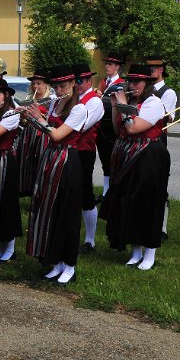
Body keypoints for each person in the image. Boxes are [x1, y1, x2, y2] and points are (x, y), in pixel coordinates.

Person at [100, 64, 170, 271]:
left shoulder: (154, 103)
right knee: (129, 201)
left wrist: (123, 106)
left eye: (137, 82)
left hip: (149, 156)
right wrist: (115, 106)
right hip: (128, 154)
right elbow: (117, 128)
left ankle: (150, 251)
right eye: (130, 81)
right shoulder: (130, 101)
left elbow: (133, 127)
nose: (132, 85)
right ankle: (135, 250)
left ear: (147, 84)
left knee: (147, 203)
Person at [26, 65, 84, 285]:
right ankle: (56, 261)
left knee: (67, 213)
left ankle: (70, 264)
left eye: (63, 86)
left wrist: (39, 120)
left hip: (68, 160)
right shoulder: (53, 104)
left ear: (72, 85)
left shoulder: (79, 108)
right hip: (51, 158)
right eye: (57, 86)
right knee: (50, 210)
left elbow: (58, 134)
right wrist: (31, 116)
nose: (59, 90)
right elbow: (47, 132)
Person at [0, 78, 22, 262]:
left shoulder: (11, 114)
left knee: (6, 202)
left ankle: (10, 246)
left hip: (4, 159)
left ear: (6, 95)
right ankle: (0, 245)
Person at [71, 63, 104, 254]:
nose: (77, 85)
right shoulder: (72, 98)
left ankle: (90, 240)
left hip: (84, 151)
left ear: (89, 80)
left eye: (80, 81)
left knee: (85, 193)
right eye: (74, 81)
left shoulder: (94, 101)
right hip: (69, 149)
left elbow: (80, 126)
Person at [145, 57, 177, 241]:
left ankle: (162, 227)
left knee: (159, 186)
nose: (151, 71)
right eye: (149, 68)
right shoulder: (144, 90)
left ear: (161, 70)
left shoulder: (168, 92)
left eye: (155, 68)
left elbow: (166, 118)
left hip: (158, 141)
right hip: (141, 140)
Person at [16, 70, 53, 199]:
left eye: (39, 83)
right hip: (27, 133)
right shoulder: (28, 99)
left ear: (46, 85)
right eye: (34, 84)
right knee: (26, 160)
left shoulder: (50, 101)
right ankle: (26, 189)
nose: (35, 86)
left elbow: (51, 120)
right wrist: (21, 114)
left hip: (41, 135)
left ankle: (39, 191)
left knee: (39, 162)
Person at [96, 51, 125, 201]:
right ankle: (106, 192)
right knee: (104, 160)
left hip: (113, 129)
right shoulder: (102, 82)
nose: (107, 66)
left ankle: (113, 192)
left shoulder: (121, 84)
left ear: (117, 67)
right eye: (106, 63)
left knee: (114, 162)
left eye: (110, 64)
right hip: (101, 128)